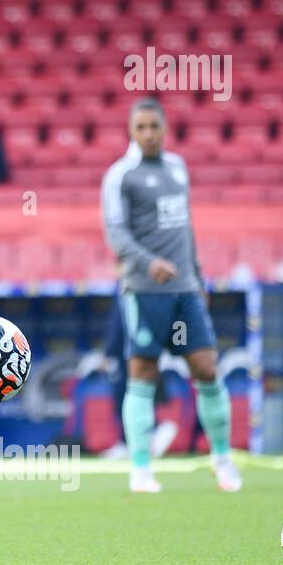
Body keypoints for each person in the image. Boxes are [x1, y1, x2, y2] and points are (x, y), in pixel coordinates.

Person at [100, 97, 241, 494]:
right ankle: (140, 468)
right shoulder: (120, 175)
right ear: (131, 131)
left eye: (153, 127)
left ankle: (222, 459)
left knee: (208, 368)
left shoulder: (178, 167)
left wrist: (197, 275)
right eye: (140, 127)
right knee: (142, 373)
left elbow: (186, 228)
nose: (147, 134)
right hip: (144, 290)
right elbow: (116, 233)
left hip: (184, 290)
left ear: (165, 129)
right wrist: (148, 263)